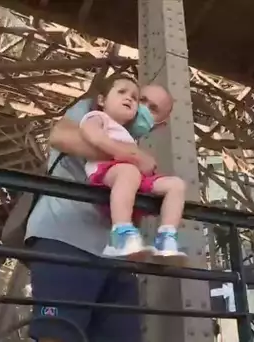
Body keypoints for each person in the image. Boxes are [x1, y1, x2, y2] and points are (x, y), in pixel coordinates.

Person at [25, 80, 176, 342]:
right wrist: (130, 158)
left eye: (153, 109)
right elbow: (61, 137)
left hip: (114, 256)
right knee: (60, 334)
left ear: (159, 124)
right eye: (143, 99)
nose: (140, 106)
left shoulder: (134, 141)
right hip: (66, 237)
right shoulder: (92, 110)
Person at [79, 74, 187, 263]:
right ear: (102, 100)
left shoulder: (129, 136)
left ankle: (166, 237)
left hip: (130, 175)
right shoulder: (97, 116)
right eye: (141, 100)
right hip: (107, 171)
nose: (131, 100)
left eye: (135, 98)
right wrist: (130, 156)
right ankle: (120, 233)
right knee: (129, 172)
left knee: (176, 185)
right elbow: (94, 137)